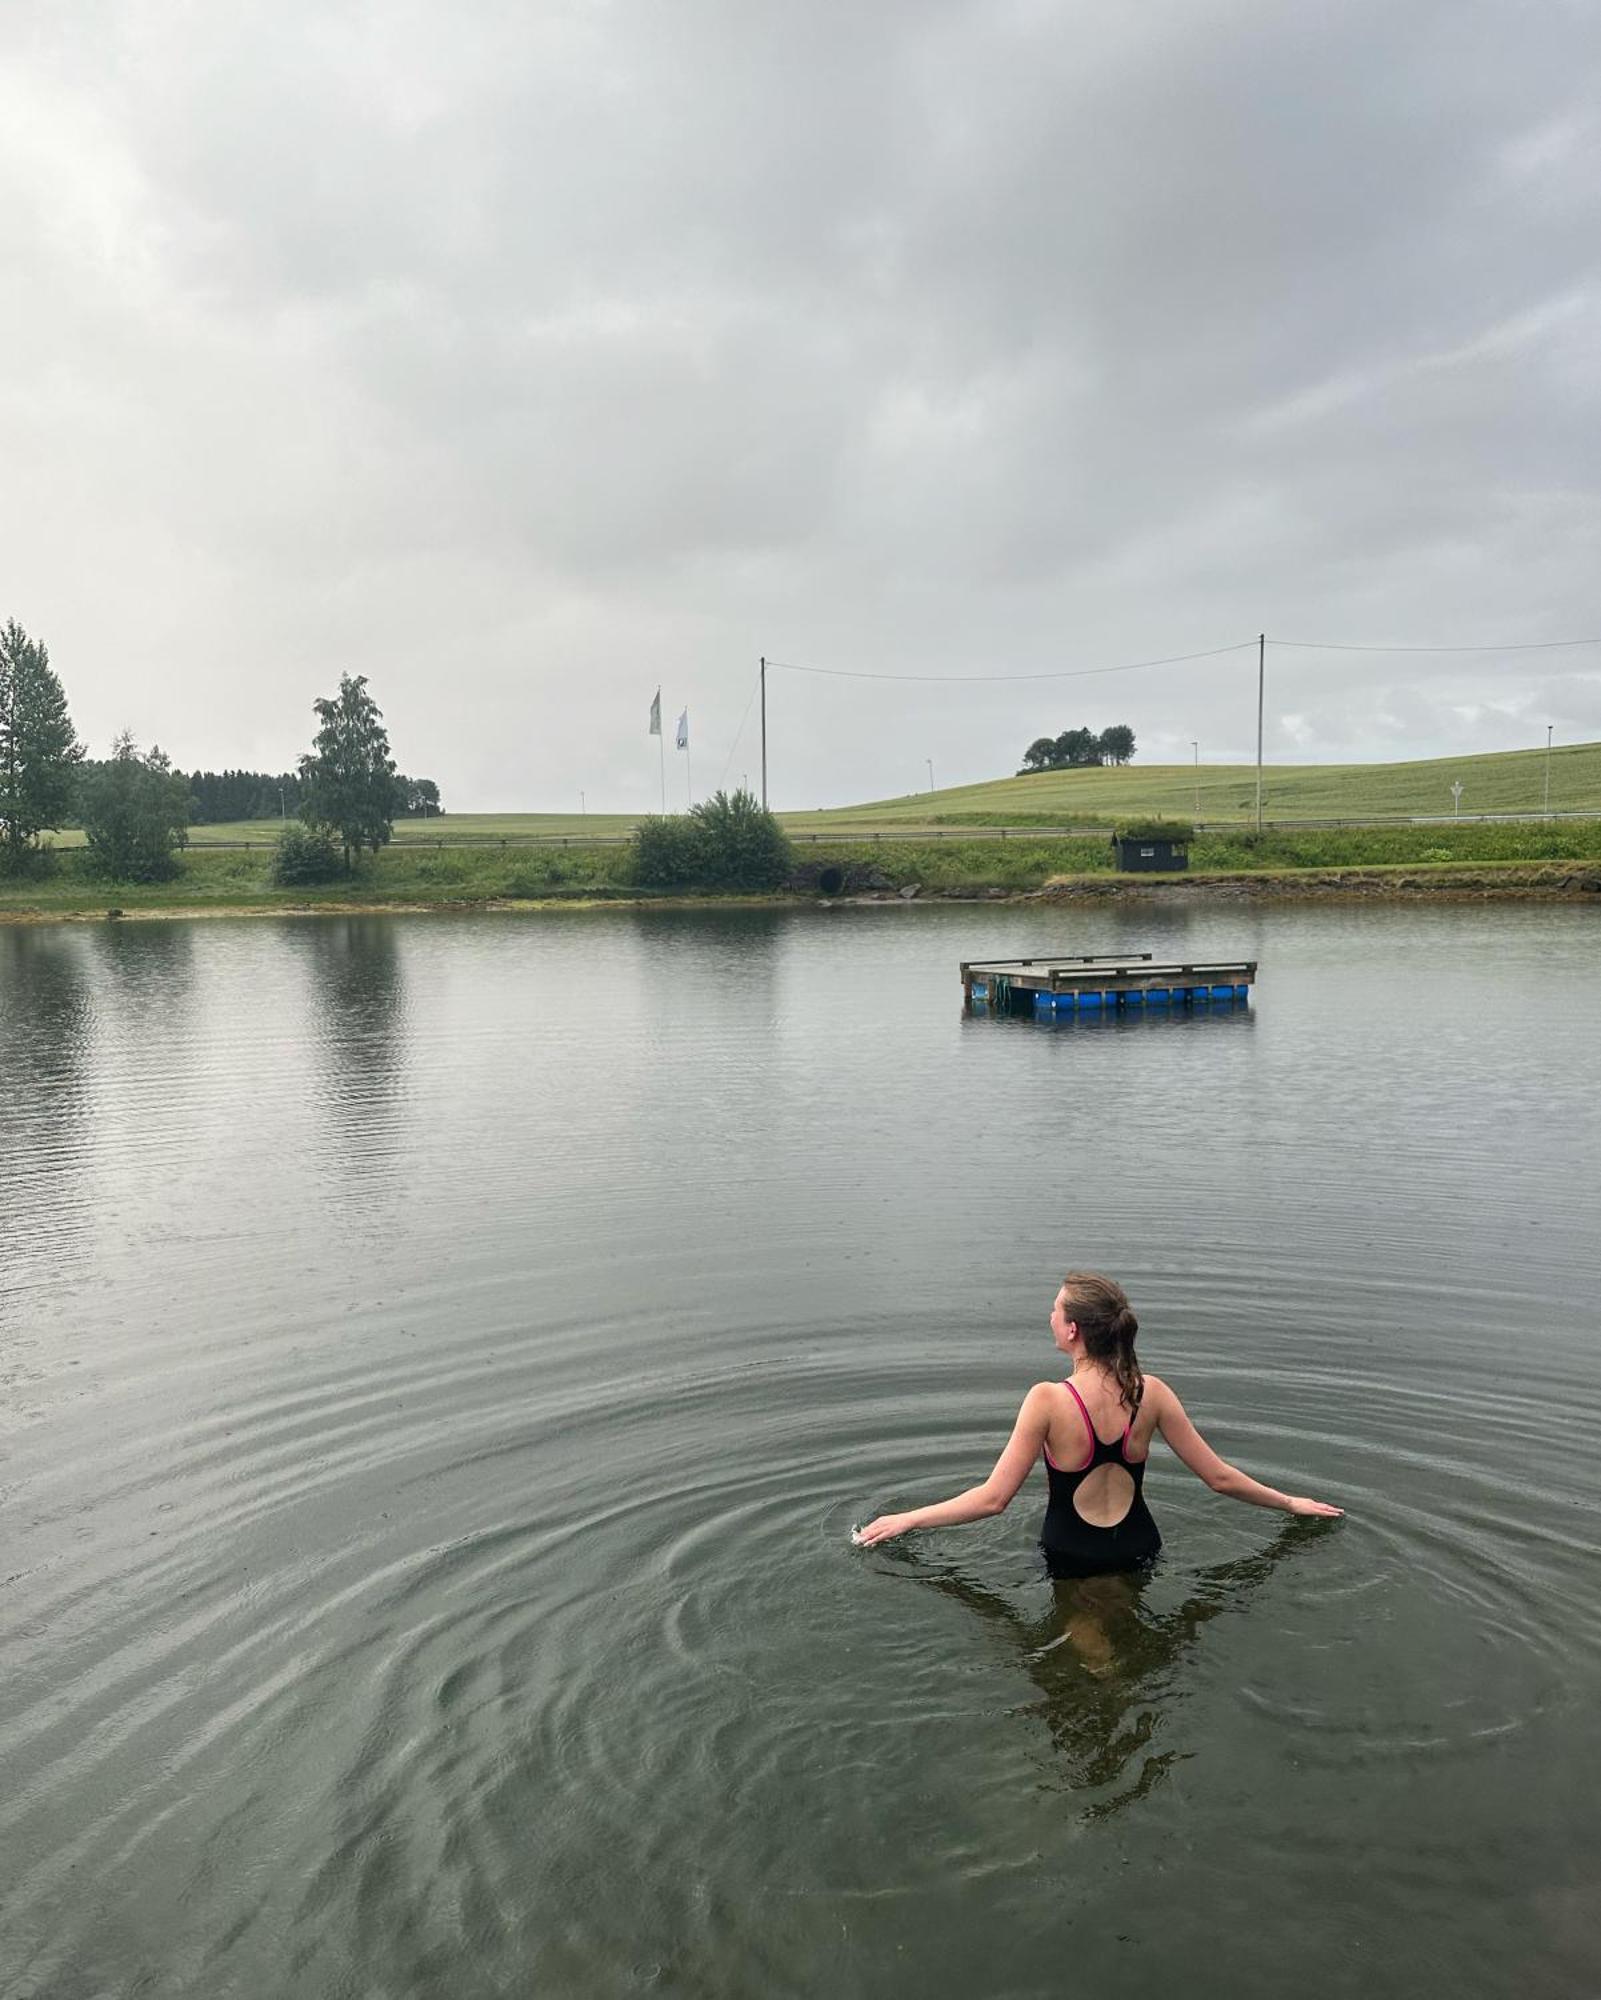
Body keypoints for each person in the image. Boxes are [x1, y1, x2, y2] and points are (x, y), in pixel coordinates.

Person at [854, 1270, 1342, 1570]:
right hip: (1139, 1546)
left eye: (1054, 1309)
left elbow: (994, 1499)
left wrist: (909, 1518)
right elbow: (1217, 1478)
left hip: (1072, 1554)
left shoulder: (1046, 1400)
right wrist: (1290, 1502)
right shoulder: (1152, 1392)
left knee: (1089, 1671)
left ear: (1072, 1330)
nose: (1049, 1315)